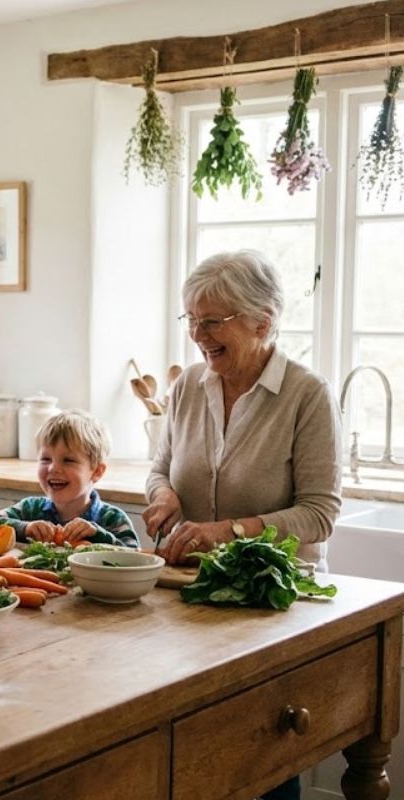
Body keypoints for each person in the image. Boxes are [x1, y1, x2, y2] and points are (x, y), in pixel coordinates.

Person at [143, 250, 342, 800]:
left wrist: (225, 532)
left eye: (212, 321)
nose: (199, 335)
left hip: (273, 602)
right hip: (190, 592)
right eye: (192, 320)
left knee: (261, 748)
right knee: (194, 746)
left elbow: (319, 514)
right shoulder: (188, 387)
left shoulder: (307, 395)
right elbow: (160, 469)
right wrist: (162, 496)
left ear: (263, 321)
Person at [0, 410, 138, 548]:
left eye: (68, 460)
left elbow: (134, 556)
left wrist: (98, 535)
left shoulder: (113, 518)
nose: (53, 468)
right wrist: (25, 528)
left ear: (97, 471)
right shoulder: (30, 509)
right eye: (46, 459)